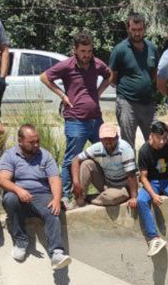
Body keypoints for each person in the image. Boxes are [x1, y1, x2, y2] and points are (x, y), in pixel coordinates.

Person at [41, 32, 111, 190]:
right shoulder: (67, 65)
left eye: (89, 51)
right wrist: (62, 95)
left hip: (96, 119)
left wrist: (98, 92)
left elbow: (109, 75)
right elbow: (44, 77)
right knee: (71, 159)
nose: (86, 55)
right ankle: (66, 194)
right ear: (75, 50)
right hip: (75, 120)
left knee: (106, 154)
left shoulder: (97, 63)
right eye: (83, 52)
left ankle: (108, 187)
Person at [0, 124, 68, 268]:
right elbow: (2, 179)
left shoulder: (45, 155)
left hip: (41, 194)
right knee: (10, 199)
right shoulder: (10, 155)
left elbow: (54, 179)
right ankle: (21, 241)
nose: (36, 145)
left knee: (53, 209)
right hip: (19, 195)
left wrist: (56, 199)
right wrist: (18, 190)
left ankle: (57, 253)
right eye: (31, 142)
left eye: (38, 141)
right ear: (20, 141)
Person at [135, 122, 168, 257]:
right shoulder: (144, 151)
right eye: (158, 138)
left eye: (165, 138)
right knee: (141, 200)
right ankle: (154, 239)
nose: (162, 141)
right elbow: (143, 177)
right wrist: (153, 195)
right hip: (152, 182)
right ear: (151, 136)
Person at [106, 13, 159, 149]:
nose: (137, 33)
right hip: (127, 103)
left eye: (140, 30)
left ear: (144, 29)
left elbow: (154, 73)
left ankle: (149, 169)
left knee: (155, 140)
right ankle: (130, 170)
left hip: (148, 103)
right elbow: (112, 77)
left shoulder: (152, 48)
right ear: (128, 29)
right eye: (134, 30)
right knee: (127, 143)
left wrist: (143, 84)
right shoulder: (120, 50)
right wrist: (130, 87)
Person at [72, 123, 138, 208]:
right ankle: (81, 199)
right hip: (107, 183)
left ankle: (91, 199)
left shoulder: (125, 149)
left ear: (117, 137)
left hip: (123, 187)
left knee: (111, 198)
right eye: (105, 138)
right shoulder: (97, 148)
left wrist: (134, 198)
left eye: (111, 138)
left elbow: (131, 175)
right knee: (86, 164)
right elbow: (75, 160)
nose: (108, 141)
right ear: (101, 139)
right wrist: (76, 182)